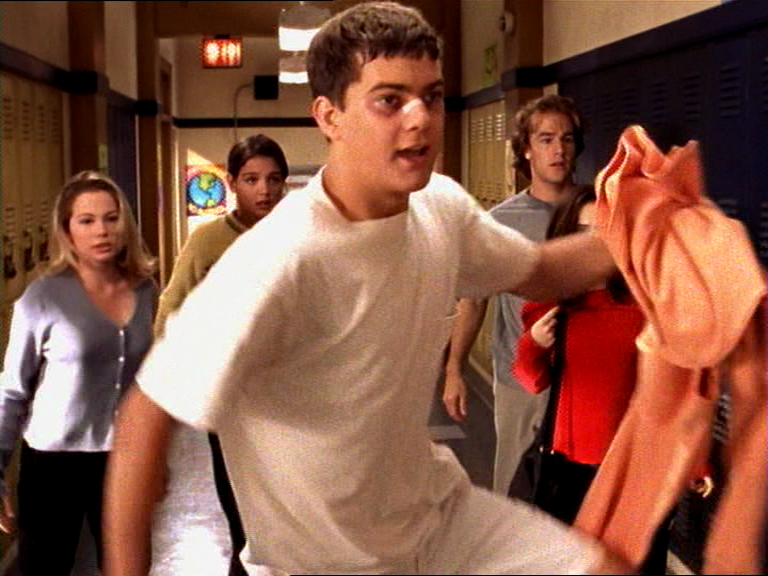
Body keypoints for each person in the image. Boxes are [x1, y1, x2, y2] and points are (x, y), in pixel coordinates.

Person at [103, 3, 630, 574]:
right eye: (389, 100)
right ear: (329, 116)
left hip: (437, 518)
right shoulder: (279, 260)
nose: (419, 118)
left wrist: (646, 236)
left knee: (603, 569)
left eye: (431, 96)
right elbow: (143, 420)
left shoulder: (440, 207)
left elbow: (538, 270)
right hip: (323, 564)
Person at [0, 171, 157, 575]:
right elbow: (13, 390)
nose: (102, 230)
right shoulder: (42, 297)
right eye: (86, 220)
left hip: (123, 461)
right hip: (54, 463)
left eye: (111, 218)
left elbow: (146, 382)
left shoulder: (144, 290)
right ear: (67, 231)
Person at [154, 133, 289, 576]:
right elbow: (171, 309)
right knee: (241, 515)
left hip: (289, 398)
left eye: (273, 179)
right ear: (231, 183)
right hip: (230, 399)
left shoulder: (299, 237)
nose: (264, 190)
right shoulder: (208, 242)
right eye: (251, 179)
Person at [443, 93, 585, 498]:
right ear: (526, 149)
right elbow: (474, 301)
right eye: (546, 139)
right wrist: (454, 370)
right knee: (517, 486)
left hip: (584, 378)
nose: (558, 150)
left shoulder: (596, 211)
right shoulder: (501, 222)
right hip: (520, 381)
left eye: (567, 139)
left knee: (579, 494)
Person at [512, 187, 643, 521]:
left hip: (628, 462)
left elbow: (667, 389)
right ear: (566, 236)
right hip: (567, 465)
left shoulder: (639, 305)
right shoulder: (552, 303)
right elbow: (532, 381)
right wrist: (534, 343)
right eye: (583, 231)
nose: (594, 242)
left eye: (604, 230)